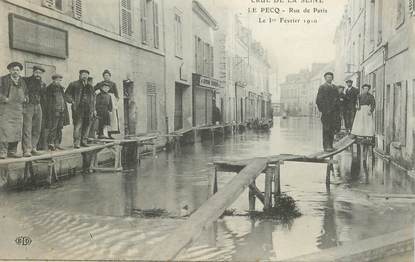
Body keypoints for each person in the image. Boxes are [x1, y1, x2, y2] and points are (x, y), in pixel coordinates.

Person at [0, 62, 28, 159]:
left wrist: (25, 98)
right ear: (10, 70)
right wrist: (4, 99)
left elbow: (26, 93)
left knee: (16, 131)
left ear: (20, 71)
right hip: (6, 110)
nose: (15, 72)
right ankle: (2, 152)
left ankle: (12, 151)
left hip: (18, 110)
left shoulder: (22, 81)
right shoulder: (3, 79)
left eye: (17, 70)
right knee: (4, 130)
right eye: (13, 70)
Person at [65, 70, 96, 148]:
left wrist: (93, 109)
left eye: (86, 74)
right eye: (83, 74)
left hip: (88, 109)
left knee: (86, 125)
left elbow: (93, 98)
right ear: (80, 75)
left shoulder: (90, 86)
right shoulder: (74, 84)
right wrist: (72, 101)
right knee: (78, 126)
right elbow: (67, 95)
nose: (85, 76)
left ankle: (84, 141)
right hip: (78, 109)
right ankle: (77, 142)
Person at [22, 66, 46, 157]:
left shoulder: (43, 84)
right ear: (33, 72)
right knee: (27, 128)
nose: (38, 74)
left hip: (38, 105)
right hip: (29, 106)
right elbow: (22, 90)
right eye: (36, 72)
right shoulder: (26, 80)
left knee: (37, 128)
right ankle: (27, 150)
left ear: (42, 74)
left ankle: (33, 148)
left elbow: (43, 95)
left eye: (40, 73)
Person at [316, 72, 340, 152]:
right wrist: (323, 110)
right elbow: (318, 100)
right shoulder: (322, 87)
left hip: (334, 113)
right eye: (328, 77)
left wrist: (337, 110)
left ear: (332, 78)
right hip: (326, 113)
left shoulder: (335, 88)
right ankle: (326, 147)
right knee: (326, 129)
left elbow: (337, 100)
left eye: (330, 77)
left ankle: (331, 145)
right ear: (325, 78)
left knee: (332, 129)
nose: (329, 78)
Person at [44, 74, 70, 151]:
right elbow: (48, 102)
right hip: (54, 112)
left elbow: (63, 100)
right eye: (58, 80)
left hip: (62, 111)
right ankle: (51, 144)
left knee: (59, 128)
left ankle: (57, 144)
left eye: (60, 80)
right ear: (54, 80)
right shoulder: (50, 88)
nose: (59, 82)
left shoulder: (61, 89)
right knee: (53, 128)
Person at [95, 70, 119, 138]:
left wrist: (115, 102)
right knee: (102, 119)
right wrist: (98, 92)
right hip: (102, 100)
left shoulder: (113, 84)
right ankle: (101, 133)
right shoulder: (100, 83)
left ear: (110, 76)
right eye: (105, 75)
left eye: (108, 75)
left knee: (111, 118)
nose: (106, 77)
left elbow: (116, 94)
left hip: (111, 100)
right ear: (103, 76)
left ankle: (110, 134)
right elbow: (94, 90)